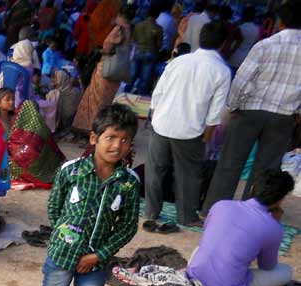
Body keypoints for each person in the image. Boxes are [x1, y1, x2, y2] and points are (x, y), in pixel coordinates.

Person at [36, 104, 140, 286]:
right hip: (61, 257)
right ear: (94, 138)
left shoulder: (129, 184)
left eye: (124, 140)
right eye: (110, 137)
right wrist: (67, 241)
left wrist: (98, 255)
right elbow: (55, 209)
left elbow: (127, 227)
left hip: (96, 265)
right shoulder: (71, 171)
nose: (117, 145)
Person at [203, 0, 301, 214]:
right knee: (266, 169)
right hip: (283, 116)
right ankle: (253, 213)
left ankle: (214, 210)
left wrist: (233, 106)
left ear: (280, 23)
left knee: (230, 163)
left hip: (249, 111)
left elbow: (242, 80)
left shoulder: (265, 45)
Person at [143, 22, 230, 232]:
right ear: (224, 44)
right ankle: (186, 216)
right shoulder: (222, 71)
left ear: (200, 38)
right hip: (190, 130)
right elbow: (215, 113)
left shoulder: (178, 61)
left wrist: (154, 115)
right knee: (188, 175)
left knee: (155, 170)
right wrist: (206, 138)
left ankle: (151, 212)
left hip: (161, 122)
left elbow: (159, 91)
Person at [187, 169, 295, 286]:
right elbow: (267, 266)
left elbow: (209, 234)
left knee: (203, 249)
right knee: (286, 271)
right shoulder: (273, 228)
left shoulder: (221, 205)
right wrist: (274, 223)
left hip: (194, 274)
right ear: (280, 200)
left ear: (252, 188)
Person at [71, 5, 132, 134]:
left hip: (106, 68)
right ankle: (101, 126)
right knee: (106, 100)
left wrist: (100, 51)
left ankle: (88, 127)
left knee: (95, 97)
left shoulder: (118, 30)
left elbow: (107, 47)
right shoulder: (129, 29)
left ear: (120, 15)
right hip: (117, 71)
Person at [129, 4, 163, 95]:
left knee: (132, 76)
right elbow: (159, 45)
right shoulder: (159, 29)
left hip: (137, 51)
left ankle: (125, 93)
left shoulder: (138, 25)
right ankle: (139, 98)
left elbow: (134, 40)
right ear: (158, 15)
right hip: (150, 54)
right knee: (145, 80)